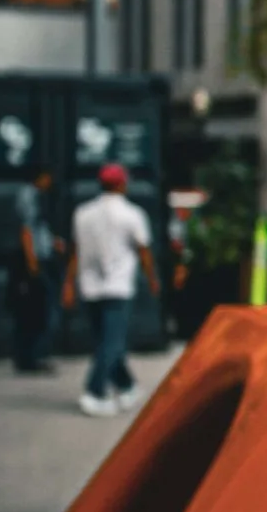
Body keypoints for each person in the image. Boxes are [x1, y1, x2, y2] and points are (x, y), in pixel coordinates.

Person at [71, 161, 159, 418]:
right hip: (118, 285)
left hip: (90, 285)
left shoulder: (82, 213)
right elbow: (144, 251)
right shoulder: (132, 214)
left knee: (106, 340)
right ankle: (94, 392)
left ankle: (127, 386)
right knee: (112, 341)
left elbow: (75, 252)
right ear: (122, 184)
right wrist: (153, 278)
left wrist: (68, 283)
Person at [8, 165, 59, 374]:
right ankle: (31, 357)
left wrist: (53, 243)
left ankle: (32, 356)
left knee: (37, 310)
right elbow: (26, 230)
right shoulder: (29, 196)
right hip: (34, 261)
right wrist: (32, 262)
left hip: (39, 256)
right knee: (36, 311)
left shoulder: (35, 196)